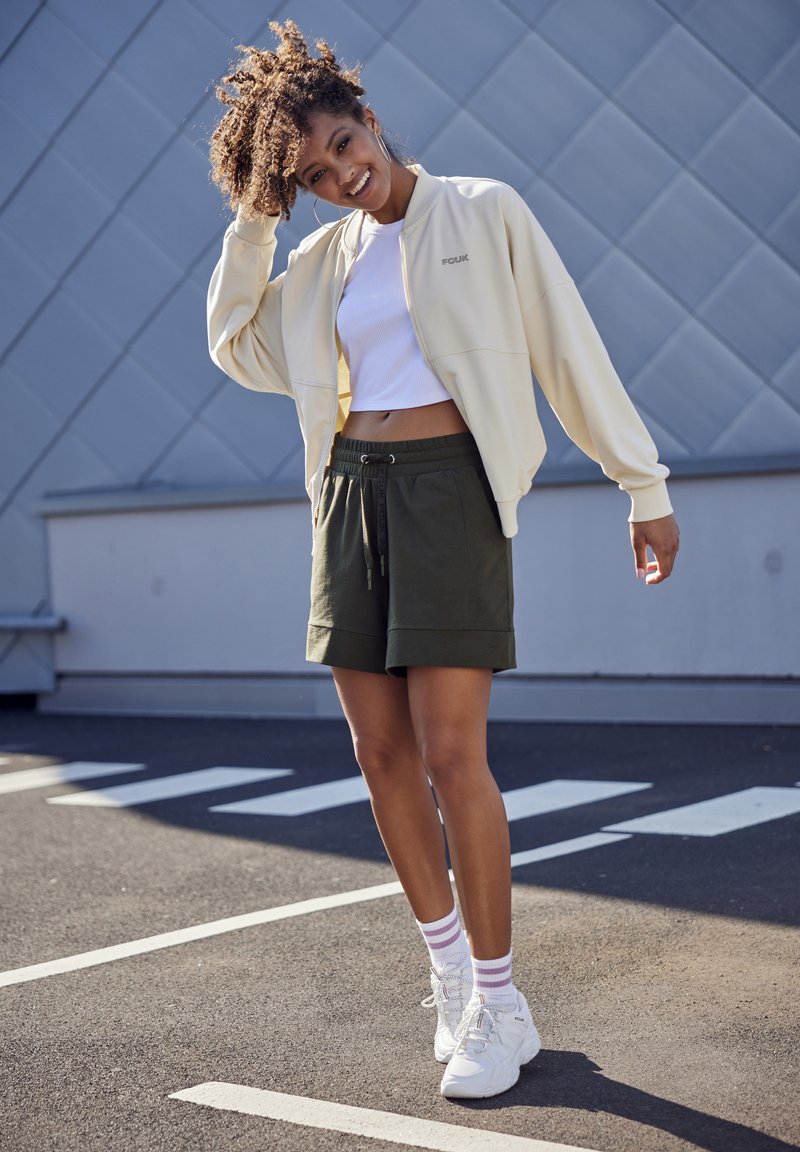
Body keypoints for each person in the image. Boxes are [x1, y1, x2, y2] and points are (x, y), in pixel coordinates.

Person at [206, 19, 679, 1100]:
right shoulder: (320, 260)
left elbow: (565, 346)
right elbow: (235, 344)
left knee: (450, 756)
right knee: (378, 757)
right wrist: (253, 219)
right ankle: (453, 980)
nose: (339, 175)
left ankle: (503, 1004)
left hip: (450, 494)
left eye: (341, 145)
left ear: (368, 117)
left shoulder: (480, 210)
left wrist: (638, 485)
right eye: (313, 175)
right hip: (347, 502)